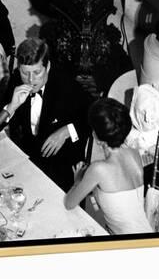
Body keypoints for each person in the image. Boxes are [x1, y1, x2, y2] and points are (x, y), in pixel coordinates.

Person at [0, 38, 93, 191]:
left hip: (62, 166)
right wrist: (12, 106)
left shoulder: (66, 84)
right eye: (25, 73)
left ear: (47, 67)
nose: (30, 80)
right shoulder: (16, 80)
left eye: (37, 72)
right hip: (27, 158)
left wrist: (67, 131)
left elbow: (95, 117)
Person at [64, 98, 153, 235]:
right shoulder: (134, 153)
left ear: (96, 137)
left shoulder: (98, 170)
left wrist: (77, 181)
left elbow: (69, 204)